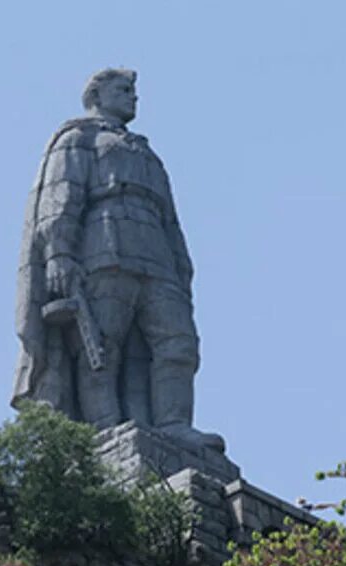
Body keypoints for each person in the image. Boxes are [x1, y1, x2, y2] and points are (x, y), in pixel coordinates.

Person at [12, 68, 223, 452]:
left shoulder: (147, 151)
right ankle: (103, 429)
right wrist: (59, 252)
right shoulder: (78, 138)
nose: (133, 97)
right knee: (100, 346)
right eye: (123, 90)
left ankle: (173, 423)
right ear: (97, 94)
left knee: (179, 342)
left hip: (156, 256)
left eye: (133, 91)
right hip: (104, 247)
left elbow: (171, 219)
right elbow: (60, 198)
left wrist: (181, 266)